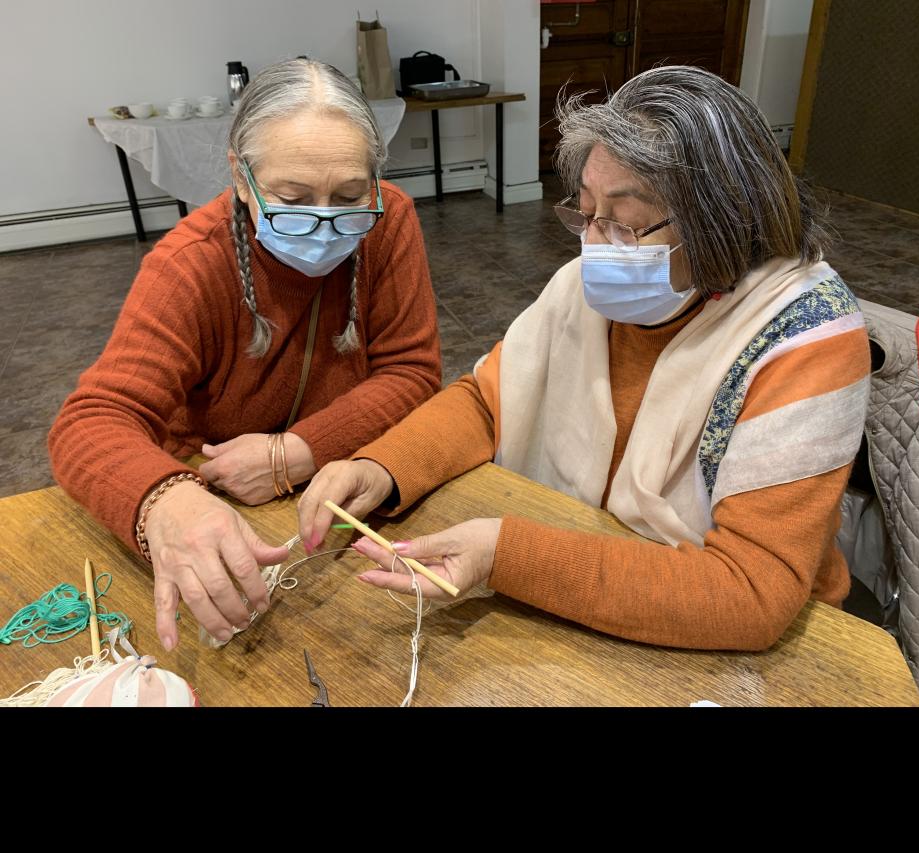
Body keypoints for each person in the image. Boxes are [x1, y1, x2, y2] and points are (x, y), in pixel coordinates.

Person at [299, 65, 870, 651]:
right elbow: (488, 404)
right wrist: (383, 467)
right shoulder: (585, 289)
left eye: (625, 222)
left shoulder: (805, 337)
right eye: (587, 213)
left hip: (728, 633)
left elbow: (750, 592)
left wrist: (506, 555)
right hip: (597, 579)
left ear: (723, 219)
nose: (594, 246)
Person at [48, 59, 442, 651]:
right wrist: (166, 501)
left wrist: (298, 451)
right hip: (216, 501)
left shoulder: (391, 221)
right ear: (241, 176)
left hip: (335, 490)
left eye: (350, 196)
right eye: (292, 198)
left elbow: (413, 371)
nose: (326, 222)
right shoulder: (189, 266)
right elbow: (89, 423)